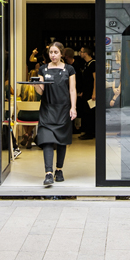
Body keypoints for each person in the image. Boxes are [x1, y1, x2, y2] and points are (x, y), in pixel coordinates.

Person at [33, 41, 77, 187]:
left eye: (56, 52)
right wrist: (35, 85)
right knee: (46, 140)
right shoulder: (43, 69)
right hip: (47, 109)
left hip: (63, 109)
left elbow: (72, 90)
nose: (53, 55)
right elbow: (41, 91)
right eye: (51, 52)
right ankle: (48, 173)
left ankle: (59, 170)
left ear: (61, 53)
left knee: (61, 141)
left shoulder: (69, 69)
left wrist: (73, 107)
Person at [77, 45, 97, 140]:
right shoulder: (86, 64)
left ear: (85, 53)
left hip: (90, 92)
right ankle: (87, 131)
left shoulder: (93, 64)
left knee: (90, 112)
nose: (80, 53)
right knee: (86, 112)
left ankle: (90, 132)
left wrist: (94, 92)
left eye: (81, 52)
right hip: (86, 92)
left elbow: (95, 79)